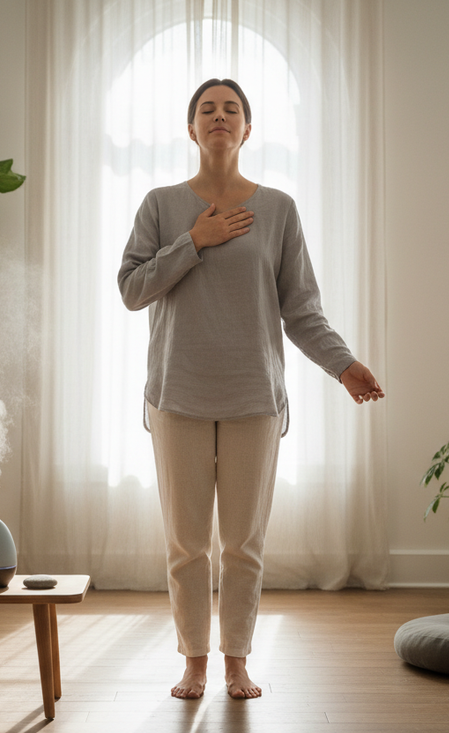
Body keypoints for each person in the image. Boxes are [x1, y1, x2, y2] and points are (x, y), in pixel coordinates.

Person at [118, 78, 384, 700]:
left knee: (243, 544)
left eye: (230, 110)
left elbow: (301, 309)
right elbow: (132, 290)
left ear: (247, 129)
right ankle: (194, 661)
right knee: (187, 545)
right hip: (177, 395)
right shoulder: (160, 204)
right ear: (191, 129)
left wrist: (344, 365)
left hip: (254, 399)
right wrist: (194, 241)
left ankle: (236, 659)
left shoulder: (279, 210)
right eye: (207, 110)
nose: (219, 117)